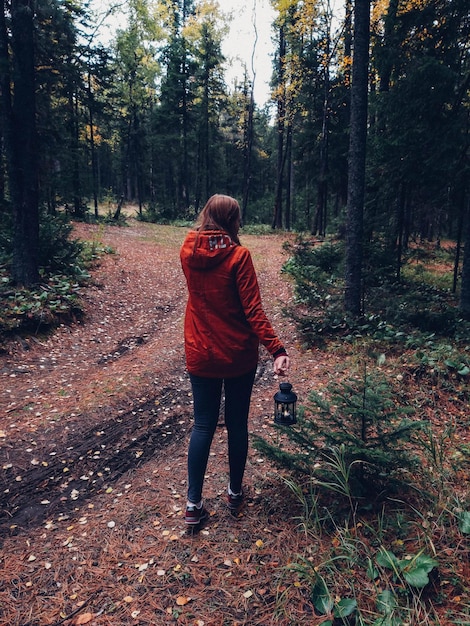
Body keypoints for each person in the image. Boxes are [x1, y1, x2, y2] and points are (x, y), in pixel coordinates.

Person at [180, 194, 290, 526]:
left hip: (200, 351)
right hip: (238, 355)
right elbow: (253, 312)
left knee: (203, 425)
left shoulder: (188, 250)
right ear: (232, 220)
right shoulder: (239, 256)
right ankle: (234, 493)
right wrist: (277, 349)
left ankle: (193, 504)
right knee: (237, 424)